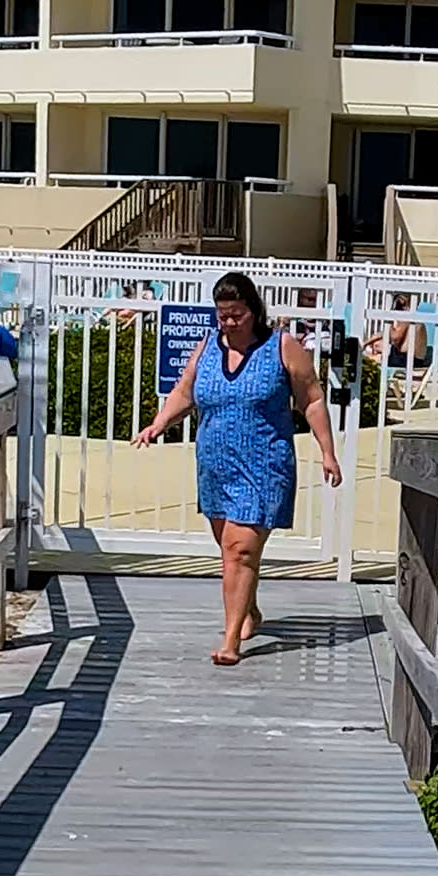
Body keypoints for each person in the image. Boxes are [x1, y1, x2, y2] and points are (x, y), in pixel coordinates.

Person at [133, 271, 342, 665]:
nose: (228, 322)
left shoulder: (282, 346)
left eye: (236, 315)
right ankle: (250, 609)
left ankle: (231, 641)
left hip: (264, 463)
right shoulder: (208, 347)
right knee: (230, 551)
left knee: (240, 550)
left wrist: (326, 452)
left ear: (253, 311)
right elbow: (184, 392)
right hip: (215, 466)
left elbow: (311, 400)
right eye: (223, 315)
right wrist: (159, 424)